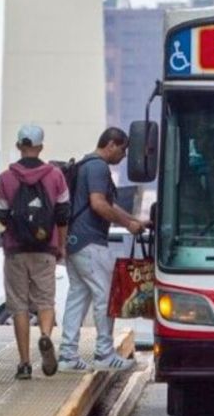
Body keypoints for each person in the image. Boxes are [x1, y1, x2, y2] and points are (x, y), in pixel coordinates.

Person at [58, 127, 150, 373]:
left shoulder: (85, 165)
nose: (123, 156)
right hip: (91, 243)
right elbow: (99, 205)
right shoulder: (98, 167)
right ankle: (104, 354)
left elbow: (108, 205)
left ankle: (67, 356)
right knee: (104, 297)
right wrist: (129, 224)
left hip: (76, 242)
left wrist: (134, 221)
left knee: (78, 297)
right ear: (111, 144)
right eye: (123, 150)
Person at [0, 125, 70, 380]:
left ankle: (24, 363)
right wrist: (60, 244)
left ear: (19, 146)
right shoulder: (56, 175)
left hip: (16, 250)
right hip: (45, 248)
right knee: (45, 302)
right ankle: (46, 337)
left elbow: (2, 214)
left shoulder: (5, 178)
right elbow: (62, 213)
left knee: (19, 306)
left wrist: (18, 228)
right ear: (40, 147)